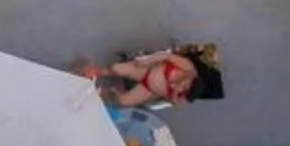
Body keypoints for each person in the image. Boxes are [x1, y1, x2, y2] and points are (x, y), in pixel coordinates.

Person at [83, 45, 221, 108]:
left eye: (185, 91)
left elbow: (175, 103)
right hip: (147, 70)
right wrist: (147, 60)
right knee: (116, 68)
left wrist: (175, 93)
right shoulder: (187, 67)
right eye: (186, 86)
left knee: (124, 101)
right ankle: (98, 72)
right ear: (190, 79)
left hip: (149, 89)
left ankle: (112, 91)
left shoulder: (185, 93)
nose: (183, 89)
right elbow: (166, 56)